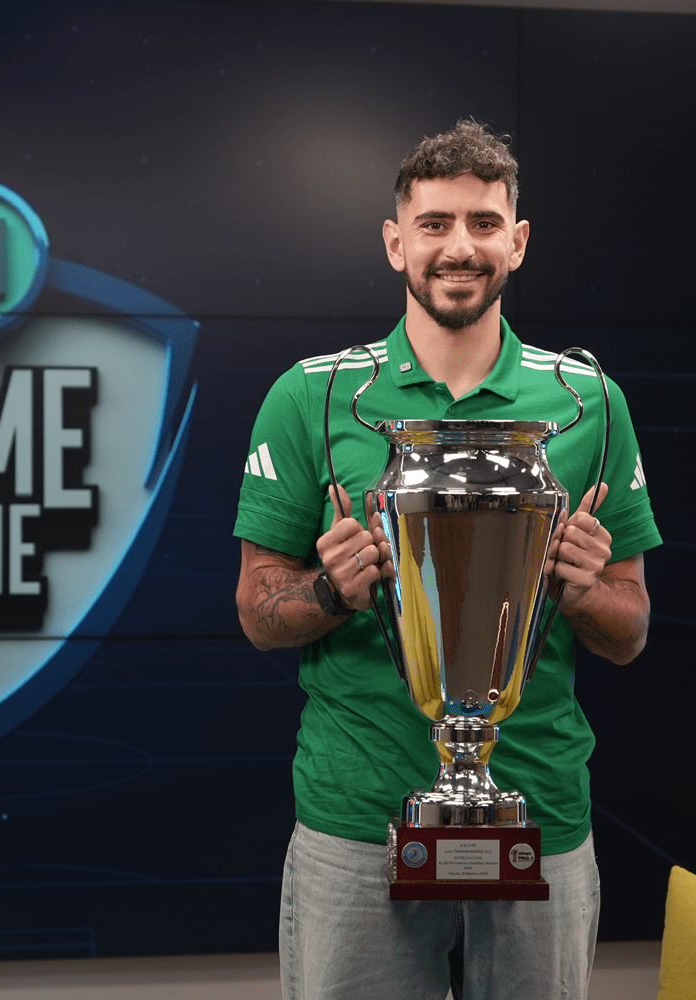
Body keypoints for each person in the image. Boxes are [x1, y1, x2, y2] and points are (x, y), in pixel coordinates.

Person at [232, 119, 661, 1000]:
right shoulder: (313, 395)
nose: (459, 248)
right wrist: (331, 590)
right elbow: (257, 612)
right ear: (397, 243)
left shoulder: (589, 402)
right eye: (434, 224)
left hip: (539, 812)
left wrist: (583, 591)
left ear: (517, 242)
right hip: (357, 823)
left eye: (482, 223)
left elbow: (630, 631)